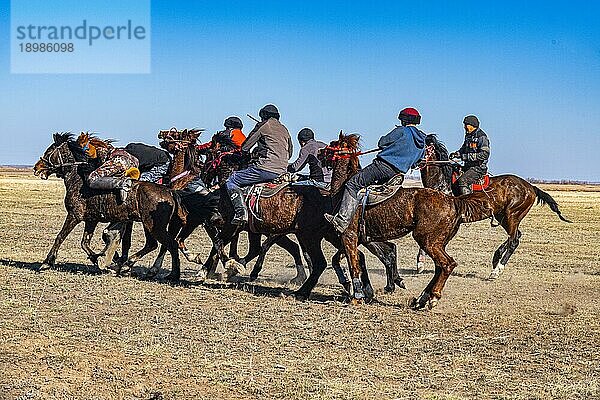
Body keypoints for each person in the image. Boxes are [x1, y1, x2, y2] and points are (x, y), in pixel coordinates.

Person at [325, 107, 427, 233]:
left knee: (352, 184)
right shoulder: (422, 140)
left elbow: (382, 142)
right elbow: (418, 161)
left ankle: (342, 220)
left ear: (403, 120)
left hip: (382, 167)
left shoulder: (401, 131)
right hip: (397, 174)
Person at [225, 104, 293, 225]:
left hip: (265, 168)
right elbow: (290, 152)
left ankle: (241, 212)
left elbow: (245, 147)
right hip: (282, 170)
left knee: (231, 180)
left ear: (263, 116)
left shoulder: (263, 125)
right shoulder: (284, 129)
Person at [79, 134, 139, 202]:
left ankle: (121, 183)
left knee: (91, 179)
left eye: (85, 148)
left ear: (91, 144)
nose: (86, 152)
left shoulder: (100, 149)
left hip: (118, 161)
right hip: (132, 162)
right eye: (83, 150)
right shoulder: (108, 147)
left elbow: (102, 165)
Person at [449, 115, 490, 195]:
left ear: (472, 125)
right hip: (468, 166)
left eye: (466, 125)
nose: (464, 127)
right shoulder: (468, 136)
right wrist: (456, 154)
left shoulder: (482, 137)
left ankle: (467, 203)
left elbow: (485, 154)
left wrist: (467, 157)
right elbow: (463, 149)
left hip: (478, 168)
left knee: (463, 181)